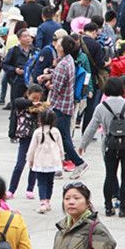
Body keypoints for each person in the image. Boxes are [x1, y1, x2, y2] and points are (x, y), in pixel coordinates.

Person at [79, 77, 125, 217]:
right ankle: (123, 208)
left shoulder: (101, 107)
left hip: (110, 145)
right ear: (122, 89)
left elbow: (91, 127)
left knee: (110, 175)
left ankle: (108, 207)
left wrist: (83, 144)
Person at [47, 36, 87, 177]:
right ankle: (59, 166)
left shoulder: (63, 64)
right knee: (63, 137)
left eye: (59, 43)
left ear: (62, 48)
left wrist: (48, 84)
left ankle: (79, 162)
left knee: (62, 138)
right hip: (66, 105)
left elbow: (57, 88)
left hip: (60, 106)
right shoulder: (68, 60)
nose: (56, 45)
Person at [8, 84, 46, 199]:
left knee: (33, 165)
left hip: (36, 139)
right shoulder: (22, 104)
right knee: (20, 165)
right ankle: (11, 190)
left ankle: (30, 189)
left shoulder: (40, 108)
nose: (36, 100)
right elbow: (17, 102)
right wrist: (31, 103)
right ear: (28, 94)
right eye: (33, 97)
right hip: (24, 138)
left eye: (38, 98)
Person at [25, 109, 64, 213]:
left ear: (40, 119)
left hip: (40, 161)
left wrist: (30, 159)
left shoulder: (38, 132)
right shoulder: (56, 131)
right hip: (53, 161)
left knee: (41, 182)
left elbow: (32, 148)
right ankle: (47, 201)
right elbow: (60, 147)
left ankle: (43, 203)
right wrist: (61, 158)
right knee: (50, 182)